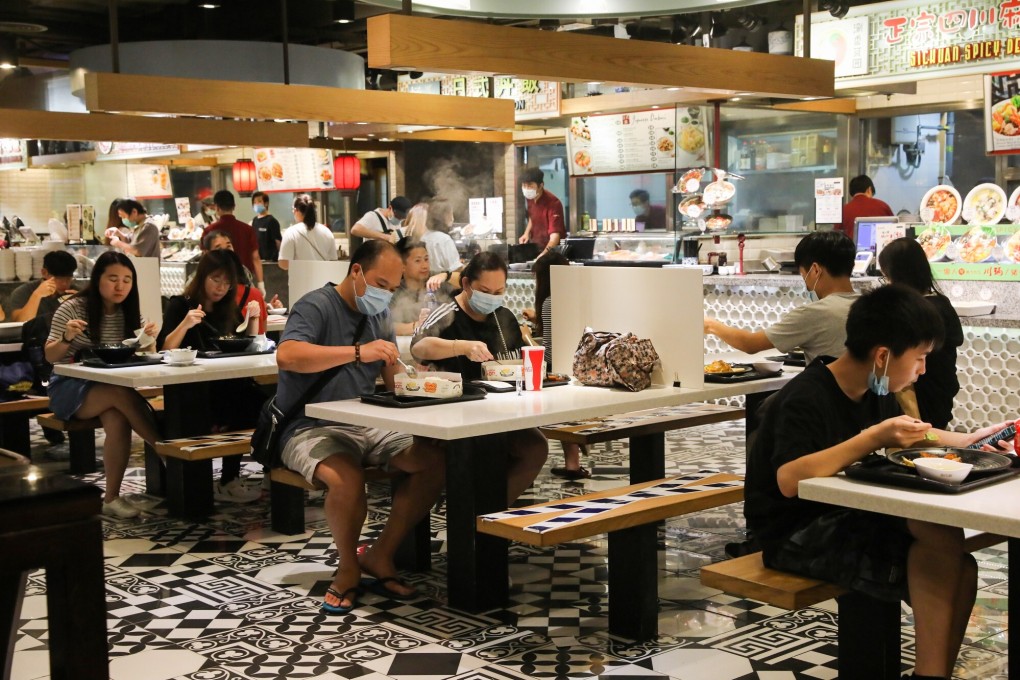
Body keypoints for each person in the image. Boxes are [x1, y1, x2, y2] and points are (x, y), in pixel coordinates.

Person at [745, 284, 1012, 680]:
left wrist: (973, 440)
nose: (922, 369)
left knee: (960, 561)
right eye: (920, 358)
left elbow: (917, 434)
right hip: (793, 533)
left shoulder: (875, 386)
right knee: (939, 540)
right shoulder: (805, 395)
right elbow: (789, 479)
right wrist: (873, 437)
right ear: (883, 356)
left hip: (843, 514)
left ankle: (932, 673)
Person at [276, 240, 446, 615]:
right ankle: (348, 566)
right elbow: (287, 355)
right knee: (347, 478)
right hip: (309, 425)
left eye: (391, 288)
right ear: (355, 272)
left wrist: (424, 382)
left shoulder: (378, 315)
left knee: (433, 460)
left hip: (368, 423)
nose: (384, 294)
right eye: (379, 284)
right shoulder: (316, 305)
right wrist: (357, 352)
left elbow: (393, 376)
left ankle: (380, 554)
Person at [412, 252, 549, 503]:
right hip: (455, 411)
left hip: (500, 410)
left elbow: (513, 361)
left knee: (535, 447)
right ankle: (477, 515)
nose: (492, 298)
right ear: (466, 284)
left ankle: (489, 512)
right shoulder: (446, 313)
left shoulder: (503, 316)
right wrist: (461, 347)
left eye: (499, 292)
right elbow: (418, 347)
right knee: (482, 449)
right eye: (485, 291)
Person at [45, 252, 161, 519]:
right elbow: (50, 356)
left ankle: (111, 498)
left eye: (127, 280)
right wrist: (66, 337)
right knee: (120, 394)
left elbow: (146, 355)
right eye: (113, 279)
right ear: (98, 279)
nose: (120, 286)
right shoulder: (73, 307)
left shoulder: (130, 312)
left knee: (118, 418)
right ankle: (162, 448)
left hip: (108, 388)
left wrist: (149, 341)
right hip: (67, 387)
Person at [157, 249, 266, 503]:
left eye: (228, 283)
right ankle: (221, 482)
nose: (221, 288)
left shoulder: (226, 308)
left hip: (227, 385)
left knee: (266, 405)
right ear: (203, 276)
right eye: (216, 279)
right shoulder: (180, 304)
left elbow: (243, 344)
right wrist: (185, 324)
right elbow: (163, 349)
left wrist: (253, 318)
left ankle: (241, 477)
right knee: (246, 403)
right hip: (193, 389)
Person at [704, 231, 858, 364]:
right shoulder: (870, 306)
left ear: (816, 270)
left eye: (803, 275)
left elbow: (750, 344)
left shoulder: (816, 313)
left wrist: (711, 325)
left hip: (826, 396)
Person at [878, 237, 963, 429]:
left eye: (887, 277)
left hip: (919, 395)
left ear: (898, 275)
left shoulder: (913, 311)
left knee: (918, 442)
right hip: (941, 390)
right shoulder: (941, 302)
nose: (888, 284)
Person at [522, 251, 587, 479]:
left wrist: (526, 338)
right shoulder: (575, 299)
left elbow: (549, 348)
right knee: (567, 416)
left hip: (556, 370)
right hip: (576, 366)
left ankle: (528, 465)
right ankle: (572, 464)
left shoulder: (550, 302)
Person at [203, 230, 274, 330]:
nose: (225, 252)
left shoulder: (243, 271)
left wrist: (267, 305)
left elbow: (253, 299)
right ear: (206, 253)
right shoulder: (199, 279)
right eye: (218, 248)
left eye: (228, 246)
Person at [201, 190, 265, 294]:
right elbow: (255, 257)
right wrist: (261, 283)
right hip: (243, 283)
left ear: (216, 207)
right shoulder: (247, 229)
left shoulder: (209, 231)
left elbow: (205, 257)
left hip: (218, 285)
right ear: (234, 206)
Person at [390, 240, 453, 337]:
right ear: (402, 265)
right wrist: (419, 325)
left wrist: (445, 275)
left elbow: (464, 280)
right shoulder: (394, 290)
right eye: (417, 261)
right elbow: (386, 326)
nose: (424, 266)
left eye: (426, 259)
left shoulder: (436, 280)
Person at [8, 250, 78, 323]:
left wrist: (82, 303)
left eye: (69, 278)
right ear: (44, 273)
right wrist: (37, 295)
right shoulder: (23, 292)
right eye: (59, 278)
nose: (64, 283)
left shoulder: (75, 292)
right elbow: (19, 323)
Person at [278, 194, 339, 271]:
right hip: (323, 281)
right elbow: (333, 261)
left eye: (293, 209)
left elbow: (283, 263)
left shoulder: (291, 232)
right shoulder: (327, 232)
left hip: (300, 280)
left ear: (297, 211)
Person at [518, 167, 565, 257]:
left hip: (552, 252)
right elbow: (533, 216)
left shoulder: (553, 203)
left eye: (530, 185)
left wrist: (543, 255)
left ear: (541, 185)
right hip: (536, 248)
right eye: (524, 185)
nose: (526, 189)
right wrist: (526, 233)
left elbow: (555, 237)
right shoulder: (530, 198)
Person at [419, 200, 463, 291]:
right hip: (444, 287)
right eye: (451, 214)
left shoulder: (423, 236)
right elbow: (456, 270)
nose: (453, 218)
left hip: (425, 285)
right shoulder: (445, 239)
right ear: (445, 216)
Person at [840, 174, 893, 239]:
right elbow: (894, 228)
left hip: (850, 248)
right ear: (869, 190)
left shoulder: (843, 210)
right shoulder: (883, 206)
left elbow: (837, 234)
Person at [251, 191, 282, 262]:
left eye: (259, 201)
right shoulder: (255, 220)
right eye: (254, 202)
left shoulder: (272, 221)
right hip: (258, 260)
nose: (256, 204)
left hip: (270, 260)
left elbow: (278, 242)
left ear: (266, 203)